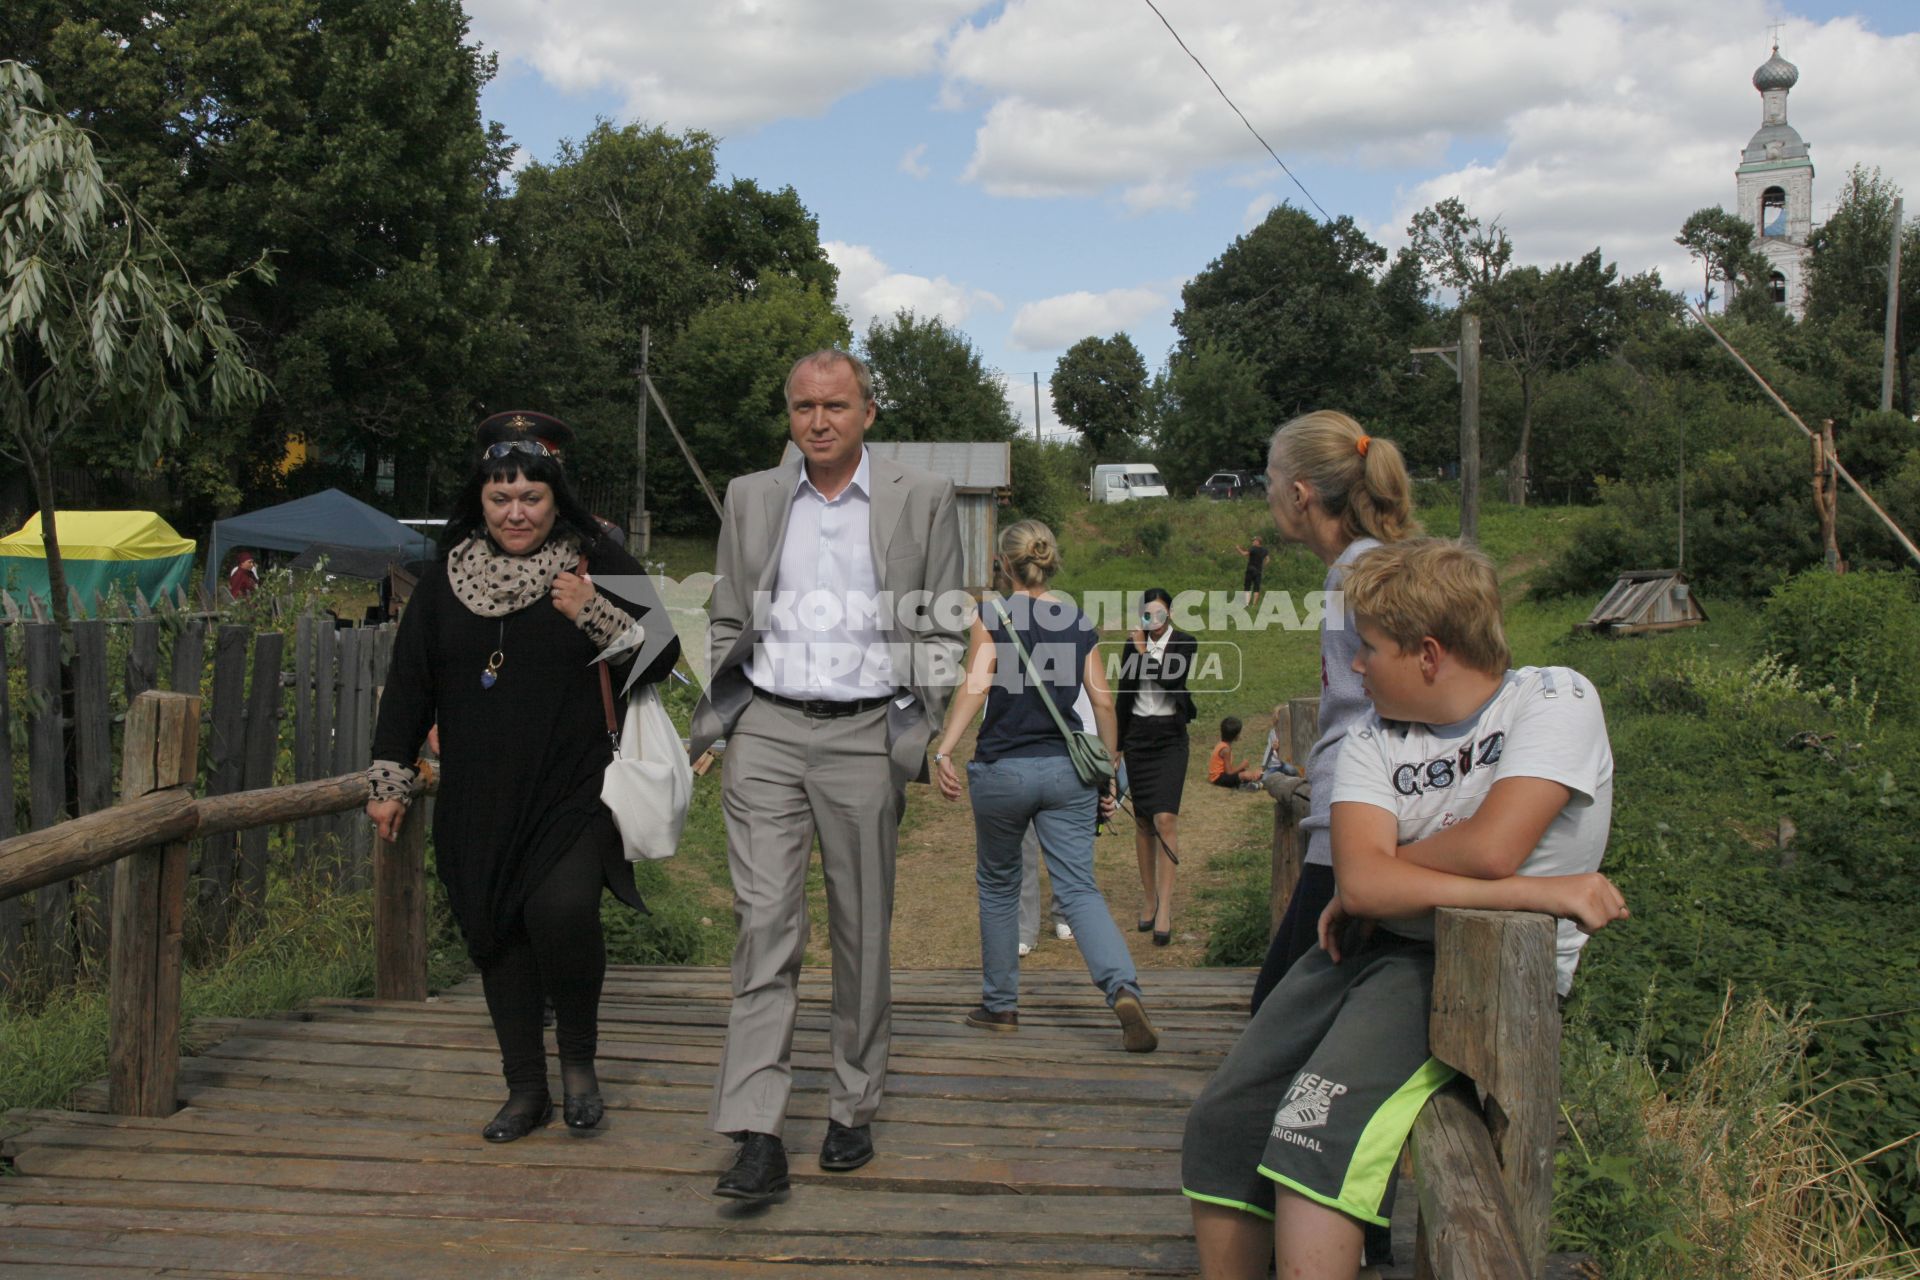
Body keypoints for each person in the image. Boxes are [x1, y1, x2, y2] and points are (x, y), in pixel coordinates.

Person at [1181, 538, 1627, 1278]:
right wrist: (1534, 892)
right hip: (1370, 948)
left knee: (1312, 1131)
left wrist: (1386, 872)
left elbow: (1489, 846)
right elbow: (1362, 885)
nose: (1355, 666)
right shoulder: (1372, 737)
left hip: (1466, 970)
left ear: (1428, 653)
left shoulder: (1555, 699)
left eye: (1370, 648)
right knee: (1223, 1119)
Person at [687, 349, 966, 1205]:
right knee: (765, 926)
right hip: (768, 727)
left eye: (836, 406)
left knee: (860, 928)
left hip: (865, 733)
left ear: (869, 413)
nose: (818, 421)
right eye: (804, 406)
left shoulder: (923, 497)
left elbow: (946, 619)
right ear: (789, 413)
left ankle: (853, 1103)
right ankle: (757, 1130)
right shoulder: (752, 496)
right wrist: (726, 712)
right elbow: (731, 608)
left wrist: (919, 719)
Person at [364, 426, 680, 1144]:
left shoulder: (595, 556)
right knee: (495, 930)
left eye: (531, 496)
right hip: (477, 796)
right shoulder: (445, 577)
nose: (516, 512)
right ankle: (524, 1089)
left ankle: (578, 1069)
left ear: (553, 497)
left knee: (564, 912)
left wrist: (593, 612)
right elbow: (410, 684)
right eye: (500, 496)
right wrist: (389, 778)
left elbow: (665, 655)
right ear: (479, 501)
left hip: (575, 790)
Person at [932, 519, 1157, 1052]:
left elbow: (976, 683)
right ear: (1048, 562)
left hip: (1003, 771)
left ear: (1004, 566)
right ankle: (1122, 987)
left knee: (999, 884)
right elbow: (1102, 700)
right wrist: (1108, 766)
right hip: (1065, 771)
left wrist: (944, 747)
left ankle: (1000, 1004)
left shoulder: (991, 614)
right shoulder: (1077, 619)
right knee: (1079, 888)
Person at [1250, 411, 1419, 1016]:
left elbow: (1404, 701)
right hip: (1356, 813)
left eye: (1269, 481)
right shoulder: (1367, 563)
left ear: (1299, 494)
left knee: (1281, 1013)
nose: (1266, 494)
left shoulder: (1356, 573)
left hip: (1354, 817)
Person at [1114, 586, 1196, 947]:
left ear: (1170, 614)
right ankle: (1149, 899)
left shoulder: (1185, 643)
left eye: (1160, 614)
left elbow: (1169, 680)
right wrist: (1115, 746)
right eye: (1148, 615)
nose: (1154, 621)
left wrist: (1144, 650)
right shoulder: (1132, 646)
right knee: (1144, 820)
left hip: (1170, 739)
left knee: (1166, 818)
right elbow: (1124, 694)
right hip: (1138, 738)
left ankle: (1165, 907)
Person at [476, 410, 628, 547]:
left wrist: (598, 580)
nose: (515, 516)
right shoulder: (457, 547)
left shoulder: (599, 540)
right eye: (500, 500)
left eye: (531, 498)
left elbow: (634, 580)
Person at [1207, 717, 1262, 789]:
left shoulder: (1222, 744)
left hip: (1221, 775)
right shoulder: (1226, 749)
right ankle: (1248, 785)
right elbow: (1229, 772)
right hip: (1218, 779)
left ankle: (1251, 780)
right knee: (1243, 774)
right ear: (1236, 736)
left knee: (1243, 772)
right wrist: (1242, 765)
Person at [1234, 535, 1268, 608]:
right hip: (1259, 571)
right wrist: (1263, 566)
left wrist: (1238, 549)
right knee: (1256, 588)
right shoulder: (1265, 550)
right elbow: (1268, 559)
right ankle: (1254, 605)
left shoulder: (1253, 548)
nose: (1253, 542)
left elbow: (1244, 554)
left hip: (1250, 570)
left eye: (1254, 541)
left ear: (1257, 542)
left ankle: (1247, 604)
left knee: (1247, 587)